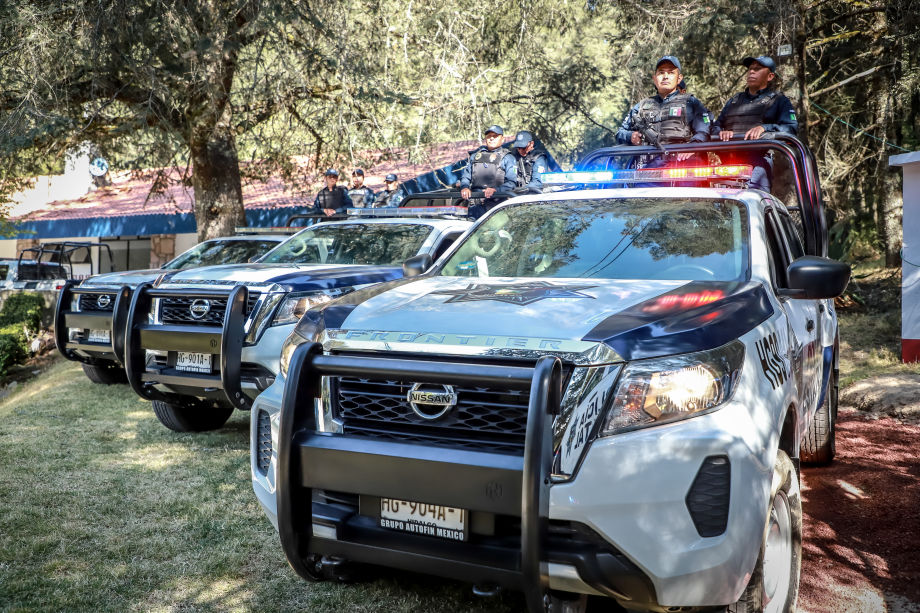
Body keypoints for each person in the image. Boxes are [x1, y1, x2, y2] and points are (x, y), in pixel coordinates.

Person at [712, 55, 798, 191]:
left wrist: (765, 128)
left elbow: (790, 129)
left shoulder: (779, 100)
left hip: (758, 163)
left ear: (770, 76)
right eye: (750, 69)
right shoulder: (734, 100)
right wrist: (721, 133)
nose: (751, 72)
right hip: (727, 164)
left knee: (754, 203)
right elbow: (715, 126)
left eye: (757, 69)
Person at [615, 56, 711, 166]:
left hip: (682, 167)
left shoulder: (691, 102)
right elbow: (620, 133)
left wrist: (692, 147)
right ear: (654, 78)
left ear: (679, 78)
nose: (665, 77)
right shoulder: (641, 106)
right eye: (661, 73)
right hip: (646, 170)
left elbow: (704, 129)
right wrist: (631, 136)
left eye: (670, 72)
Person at [459, 125, 517, 218]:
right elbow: (466, 176)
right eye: (489, 136)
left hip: (497, 207)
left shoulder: (508, 157)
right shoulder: (476, 155)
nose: (491, 138)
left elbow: (511, 183)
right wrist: (464, 187)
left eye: (495, 136)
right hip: (474, 206)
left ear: (502, 139)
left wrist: (496, 190)